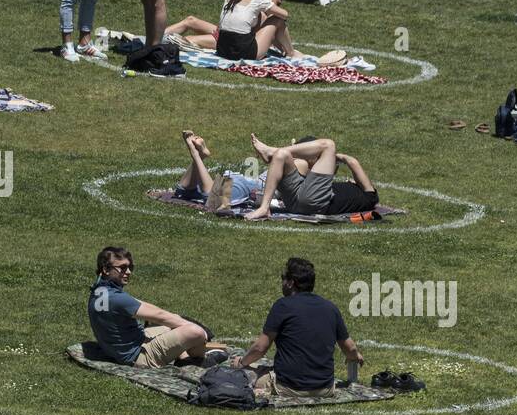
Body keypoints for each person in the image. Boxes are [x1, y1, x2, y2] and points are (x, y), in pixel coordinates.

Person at [235, 255, 366, 397]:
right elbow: (350, 348)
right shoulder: (330, 308)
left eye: (284, 279)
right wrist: (355, 355)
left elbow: (260, 348)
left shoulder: (283, 306)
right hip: (325, 388)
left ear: (291, 283)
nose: (282, 283)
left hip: (288, 387)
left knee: (246, 372)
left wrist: (241, 363)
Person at [88, 246, 227, 369]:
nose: (129, 272)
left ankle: (184, 357)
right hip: (139, 357)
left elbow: (145, 307)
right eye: (122, 268)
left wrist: (176, 319)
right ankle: (200, 359)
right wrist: (202, 333)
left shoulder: (100, 290)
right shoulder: (117, 298)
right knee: (195, 332)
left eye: (130, 267)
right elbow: (161, 316)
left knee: (173, 321)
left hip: (123, 348)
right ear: (106, 269)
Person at [243, 139, 379, 225]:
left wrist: (339, 157)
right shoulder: (356, 193)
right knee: (282, 156)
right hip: (297, 201)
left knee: (328, 145)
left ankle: (272, 151)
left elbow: (352, 161)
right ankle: (264, 208)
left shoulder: (370, 196)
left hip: (316, 203)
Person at [215, 0, 301, 61]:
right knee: (277, 20)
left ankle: (283, 49)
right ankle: (291, 53)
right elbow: (285, 14)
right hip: (243, 53)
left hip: (222, 49)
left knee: (260, 16)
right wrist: (268, 8)